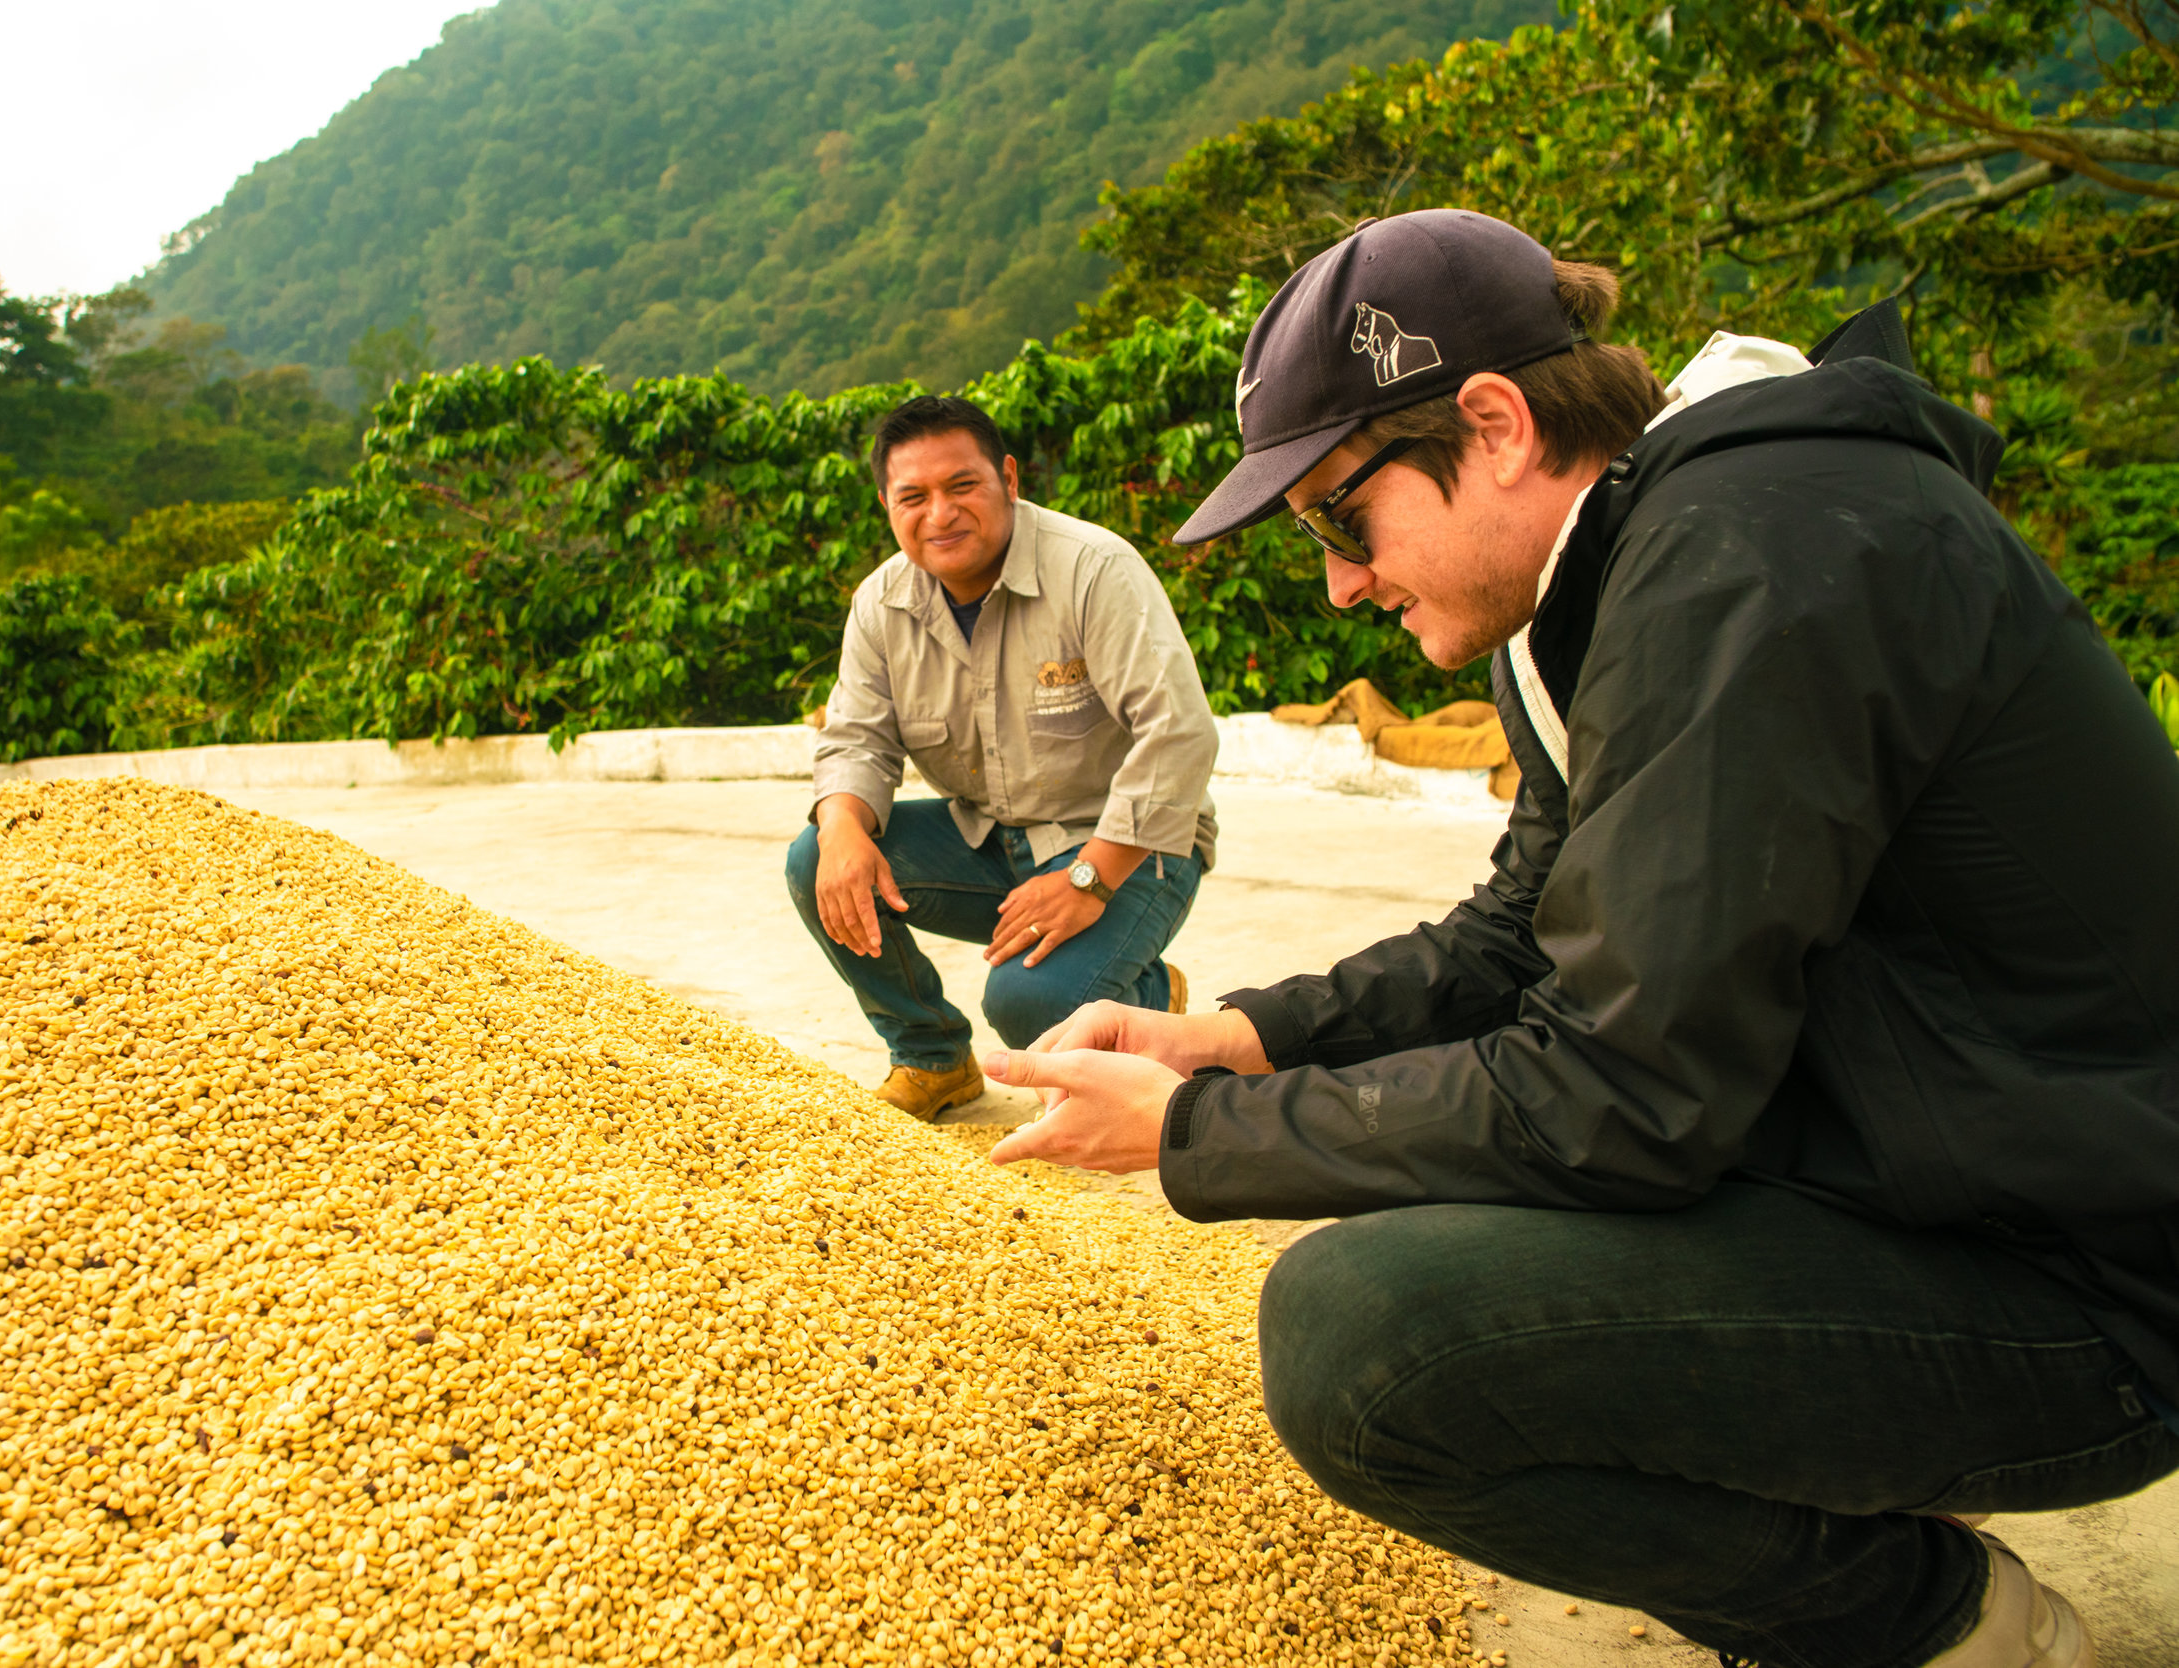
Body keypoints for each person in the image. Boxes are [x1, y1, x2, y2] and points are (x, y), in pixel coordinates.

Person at [980, 208, 2179, 1668]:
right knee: (1429, 1203)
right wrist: (1236, 1035)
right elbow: (1523, 930)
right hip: (1920, 1172)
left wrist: (1198, 1132)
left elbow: (1624, 1092)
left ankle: (1947, 1631)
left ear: (1492, 425)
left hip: (2097, 1283)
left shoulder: (1751, 557)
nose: (1343, 584)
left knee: (1370, 1341)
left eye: (1336, 519)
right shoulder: (1610, 586)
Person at [788, 395, 1219, 1121]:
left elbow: (1180, 734)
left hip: (1130, 849)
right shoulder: (881, 604)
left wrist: (1087, 878)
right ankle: (931, 1058)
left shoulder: (1093, 569)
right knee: (818, 860)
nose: (941, 515)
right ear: (887, 507)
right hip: (989, 843)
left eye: (963, 486)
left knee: (1032, 1010)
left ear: (1009, 480)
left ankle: (1151, 1001)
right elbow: (857, 740)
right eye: (913, 497)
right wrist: (841, 832)